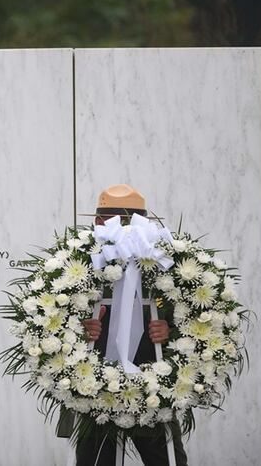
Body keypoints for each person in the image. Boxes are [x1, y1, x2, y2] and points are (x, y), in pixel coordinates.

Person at [69, 184, 189, 466]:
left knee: (166, 459)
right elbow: (57, 319)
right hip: (94, 383)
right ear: (98, 223)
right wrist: (80, 329)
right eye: (113, 222)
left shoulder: (162, 260)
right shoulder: (79, 262)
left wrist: (170, 332)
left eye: (127, 222)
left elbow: (191, 313)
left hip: (152, 379)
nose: (121, 229)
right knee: (94, 460)